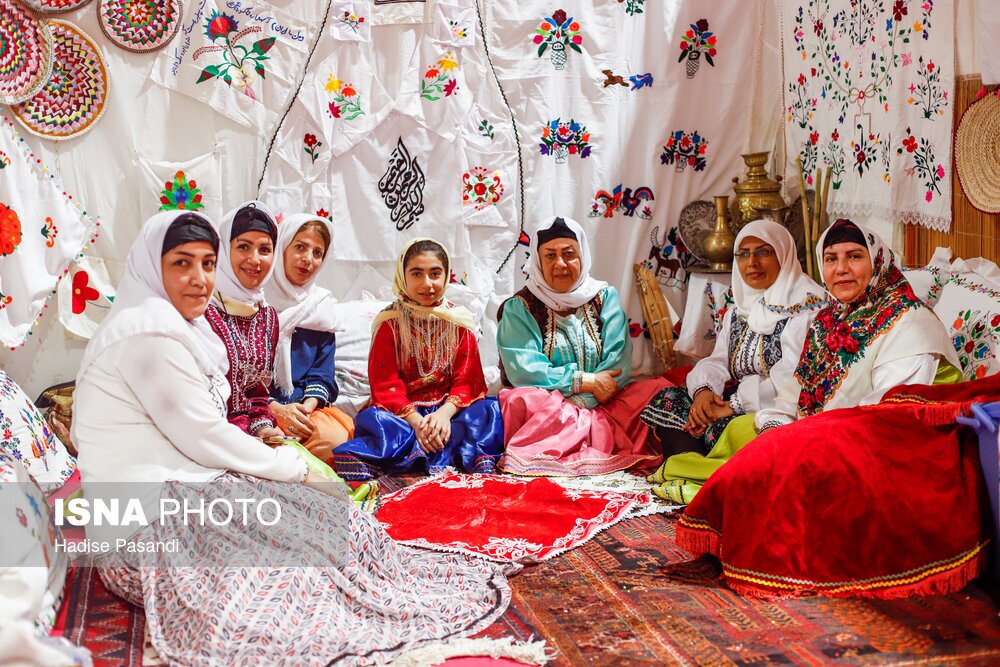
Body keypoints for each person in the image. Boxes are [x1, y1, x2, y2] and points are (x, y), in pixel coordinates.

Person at [72, 211, 512, 665]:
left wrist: (285, 452)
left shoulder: (189, 324)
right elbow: (205, 433)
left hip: (193, 480)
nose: (200, 278)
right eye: (182, 263)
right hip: (145, 519)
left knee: (339, 523)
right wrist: (295, 468)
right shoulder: (150, 333)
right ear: (152, 267)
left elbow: (236, 408)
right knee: (281, 576)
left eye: (207, 262)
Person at [654, 219, 962, 504]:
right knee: (743, 435)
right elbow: (798, 388)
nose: (841, 269)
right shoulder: (833, 318)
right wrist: (778, 424)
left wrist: (801, 437)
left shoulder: (910, 323)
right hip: (818, 427)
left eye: (854, 256)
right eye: (831, 259)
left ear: (878, 261)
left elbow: (887, 415)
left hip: (869, 444)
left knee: (752, 461)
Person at [641, 220, 826, 501]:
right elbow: (717, 359)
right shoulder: (739, 311)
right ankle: (699, 471)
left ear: (784, 255)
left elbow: (795, 377)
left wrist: (731, 406)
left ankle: (695, 474)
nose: (752, 262)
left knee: (731, 431)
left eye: (764, 252)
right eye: (743, 254)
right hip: (732, 403)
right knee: (670, 400)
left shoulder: (808, 308)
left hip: (778, 408)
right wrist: (704, 394)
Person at [496, 216, 669, 476]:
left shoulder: (604, 296)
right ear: (538, 261)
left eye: (569, 254)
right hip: (553, 405)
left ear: (583, 256)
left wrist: (587, 399)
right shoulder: (520, 307)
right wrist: (583, 383)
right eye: (550, 256)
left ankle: (580, 435)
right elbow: (524, 370)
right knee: (520, 398)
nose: (561, 264)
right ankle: (590, 438)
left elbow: (618, 360)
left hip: (607, 399)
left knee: (659, 390)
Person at [332, 238, 504, 480]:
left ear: (446, 276)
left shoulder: (458, 321)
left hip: (449, 413)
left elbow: (468, 380)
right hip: (402, 416)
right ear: (403, 276)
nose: (427, 284)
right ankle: (433, 450)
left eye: (435, 274)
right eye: (416, 274)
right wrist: (418, 423)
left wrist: (443, 415)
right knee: (376, 421)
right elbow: (385, 384)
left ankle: (431, 451)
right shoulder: (389, 323)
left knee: (490, 409)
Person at [265, 214, 355, 462]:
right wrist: (278, 410)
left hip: (303, 411)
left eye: (318, 253)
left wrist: (304, 411)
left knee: (337, 437)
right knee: (246, 433)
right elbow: (240, 378)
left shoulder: (320, 308)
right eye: (300, 247)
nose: (308, 259)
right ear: (282, 247)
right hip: (260, 409)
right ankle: (283, 458)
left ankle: (279, 458)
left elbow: (322, 375)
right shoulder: (254, 301)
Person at [203, 200, 283, 438]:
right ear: (223, 251)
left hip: (247, 435)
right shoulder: (202, 310)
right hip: (206, 432)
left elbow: (258, 395)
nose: (255, 259)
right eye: (244, 247)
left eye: (265, 250)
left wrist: (263, 427)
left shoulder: (268, 318)